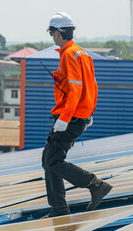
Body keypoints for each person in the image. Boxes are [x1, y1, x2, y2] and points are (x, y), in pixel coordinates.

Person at [41, 12, 112, 218]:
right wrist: (88, 114)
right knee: (49, 160)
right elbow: (93, 86)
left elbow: (75, 90)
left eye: (52, 32)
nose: (52, 36)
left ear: (59, 33)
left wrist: (64, 118)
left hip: (69, 117)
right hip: (78, 116)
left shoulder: (69, 55)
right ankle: (59, 208)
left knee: (52, 161)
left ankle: (95, 185)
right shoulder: (81, 53)